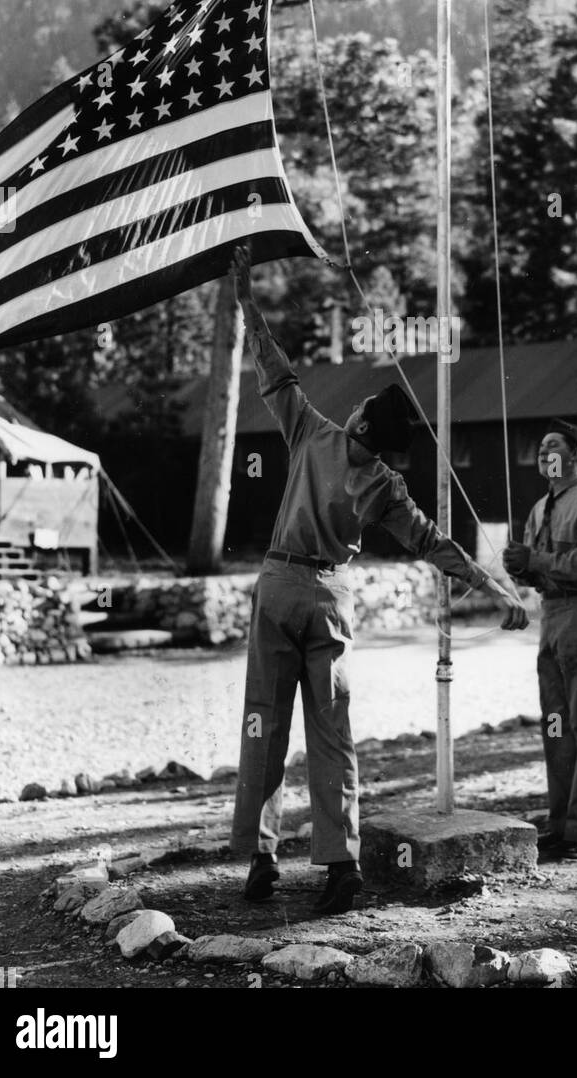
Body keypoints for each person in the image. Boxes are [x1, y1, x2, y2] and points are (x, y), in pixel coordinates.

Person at [228, 246, 527, 913]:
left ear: (359, 421)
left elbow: (271, 365)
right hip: (328, 599)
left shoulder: (309, 430)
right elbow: (434, 544)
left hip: (277, 586)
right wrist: (493, 587)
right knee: (331, 734)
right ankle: (340, 867)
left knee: (263, 722)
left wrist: (247, 297)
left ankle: (260, 854)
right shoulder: (386, 489)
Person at [503, 419, 577, 861]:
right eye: (540, 446)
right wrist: (522, 567)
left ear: (575, 455)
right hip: (551, 616)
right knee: (555, 722)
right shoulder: (538, 509)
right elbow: (538, 571)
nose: (543, 451)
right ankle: (562, 824)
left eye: (553, 445)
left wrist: (538, 558)